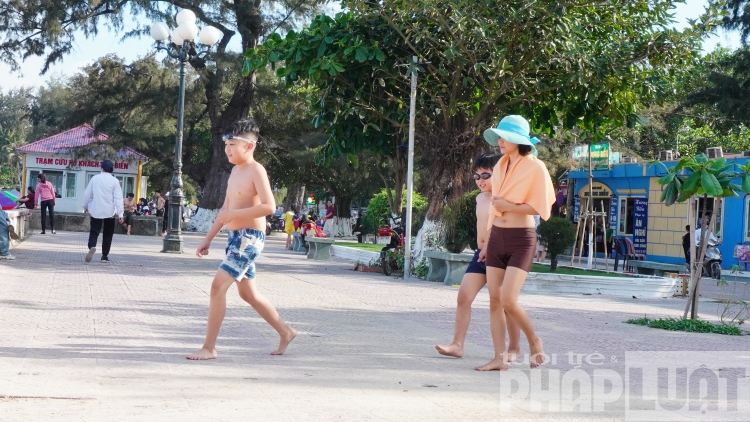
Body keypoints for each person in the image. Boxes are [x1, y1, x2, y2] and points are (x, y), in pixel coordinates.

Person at [187, 119, 296, 361]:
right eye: (225, 144)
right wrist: (208, 239)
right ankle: (285, 331)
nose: (227, 149)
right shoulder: (235, 171)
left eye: (232, 144)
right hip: (235, 237)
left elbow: (269, 206)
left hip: (249, 238)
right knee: (248, 294)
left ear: (249, 146)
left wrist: (234, 215)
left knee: (217, 287)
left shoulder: (256, 170)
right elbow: (225, 209)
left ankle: (209, 347)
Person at [476, 115, 555, 371]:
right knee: (494, 301)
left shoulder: (536, 167)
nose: (499, 141)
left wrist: (510, 206)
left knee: (508, 299)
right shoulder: (500, 166)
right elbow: (493, 208)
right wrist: (487, 241)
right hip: (497, 236)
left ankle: (534, 341)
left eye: (503, 136)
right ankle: (499, 359)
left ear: (517, 139)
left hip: (522, 239)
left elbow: (541, 207)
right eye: (498, 136)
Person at [435, 152, 523, 359]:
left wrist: (489, 247)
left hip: (500, 255)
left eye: (486, 175)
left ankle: (515, 348)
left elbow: (503, 226)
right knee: (464, 296)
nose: (480, 181)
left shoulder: (505, 199)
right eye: (476, 176)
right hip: (480, 255)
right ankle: (457, 344)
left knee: (505, 304)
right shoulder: (478, 199)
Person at [82, 160, 125, 263]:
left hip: (96, 210)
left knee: (94, 232)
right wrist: (121, 214)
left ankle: (92, 246)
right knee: (108, 234)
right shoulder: (115, 181)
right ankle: (104, 256)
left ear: (102, 168)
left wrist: (85, 206)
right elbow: (118, 198)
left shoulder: (95, 178)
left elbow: (87, 193)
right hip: (110, 212)